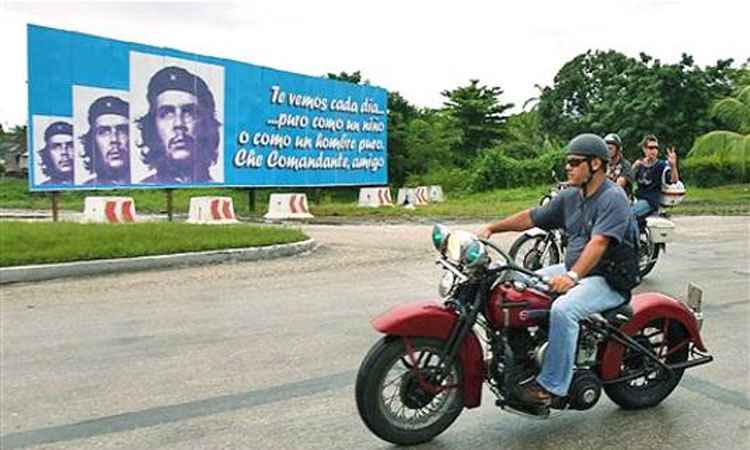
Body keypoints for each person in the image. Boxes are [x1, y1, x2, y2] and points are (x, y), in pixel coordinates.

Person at [477, 133, 637, 405]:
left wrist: (572, 277)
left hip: (608, 279)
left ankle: (552, 386)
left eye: (575, 162)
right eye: (568, 162)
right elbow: (531, 217)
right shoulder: (571, 196)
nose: (568, 167)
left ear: (595, 164)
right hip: (575, 269)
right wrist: (492, 227)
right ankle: (521, 355)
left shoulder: (613, 197)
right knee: (513, 282)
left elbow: (598, 243)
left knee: (565, 309)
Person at [135, 66, 221, 184]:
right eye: (167, 114)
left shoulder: (220, 191)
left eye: (189, 113)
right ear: (152, 128)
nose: (179, 124)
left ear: (206, 125)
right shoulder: (142, 189)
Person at [80, 96, 130, 185]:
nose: (114, 139)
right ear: (92, 141)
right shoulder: (86, 187)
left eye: (122, 130)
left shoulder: (149, 183)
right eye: (103, 132)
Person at [631, 134, 679, 218]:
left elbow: (674, 180)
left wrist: (673, 166)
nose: (654, 150)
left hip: (650, 202)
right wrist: (634, 167)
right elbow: (629, 179)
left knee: (629, 214)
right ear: (644, 149)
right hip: (636, 199)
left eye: (656, 148)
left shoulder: (661, 165)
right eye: (651, 148)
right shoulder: (639, 164)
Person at [38, 121, 74, 185]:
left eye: (70, 146)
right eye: (56, 147)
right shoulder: (45, 186)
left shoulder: (89, 183)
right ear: (47, 153)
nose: (64, 152)